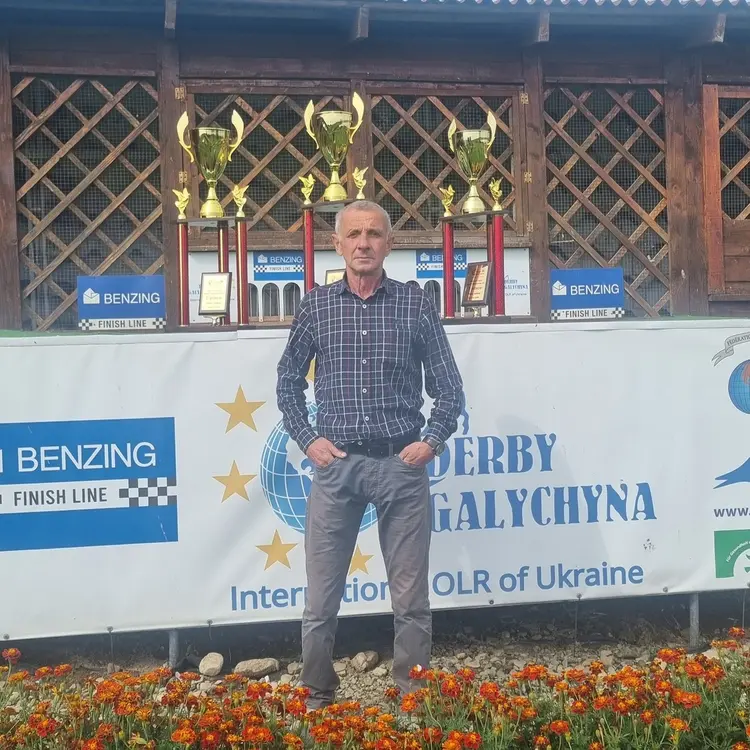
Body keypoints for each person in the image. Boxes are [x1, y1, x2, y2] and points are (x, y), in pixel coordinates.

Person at [276, 200, 465, 707]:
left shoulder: (415, 304)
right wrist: (308, 438)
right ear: (336, 244)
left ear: (389, 244)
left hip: (400, 466)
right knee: (321, 598)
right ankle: (317, 694)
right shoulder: (315, 306)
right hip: (335, 470)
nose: (364, 243)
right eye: (354, 234)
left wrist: (431, 441)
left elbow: (448, 387)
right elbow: (288, 381)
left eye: (374, 234)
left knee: (411, 599)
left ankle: (413, 695)